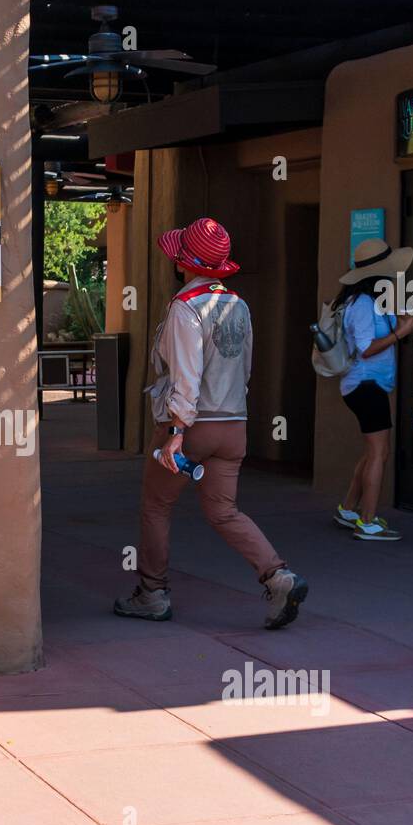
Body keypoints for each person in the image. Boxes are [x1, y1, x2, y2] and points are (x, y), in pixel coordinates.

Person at [115, 217, 308, 629]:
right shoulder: (238, 304)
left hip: (191, 425)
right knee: (223, 510)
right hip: (233, 423)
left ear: (183, 263)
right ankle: (278, 576)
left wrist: (176, 431)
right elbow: (246, 367)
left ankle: (151, 593)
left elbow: (186, 375)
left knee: (156, 505)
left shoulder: (186, 309)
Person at [329, 238, 413, 541]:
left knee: (371, 453)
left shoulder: (370, 300)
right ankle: (368, 522)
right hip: (366, 386)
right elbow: (366, 349)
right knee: (380, 453)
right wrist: (400, 332)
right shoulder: (364, 305)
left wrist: (401, 317)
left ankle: (349, 508)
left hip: (367, 385)